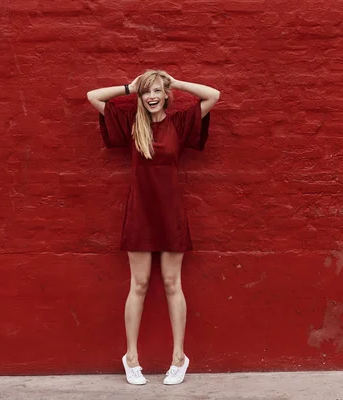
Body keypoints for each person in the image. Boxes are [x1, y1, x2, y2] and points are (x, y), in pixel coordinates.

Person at [86, 70, 220, 385]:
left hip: (170, 211)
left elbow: (213, 95)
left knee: (173, 284)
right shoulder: (132, 124)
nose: (151, 97)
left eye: (157, 91)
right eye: (146, 92)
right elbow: (93, 96)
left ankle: (179, 357)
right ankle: (131, 358)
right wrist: (128, 87)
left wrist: (176, 83)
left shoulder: (179, 123)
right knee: (140, 284)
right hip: (141, 211)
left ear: (165, 93)